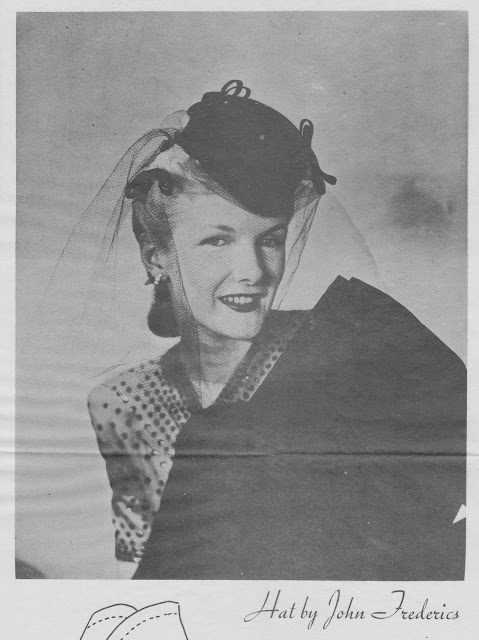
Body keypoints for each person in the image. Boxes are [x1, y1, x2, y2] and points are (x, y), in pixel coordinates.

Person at [85, 80, 466, 580]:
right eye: (217, 241)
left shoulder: (347, 349)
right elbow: (153, 570)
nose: (253, 271)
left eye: (269, 240)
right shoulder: (122, 403)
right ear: (157, 256)